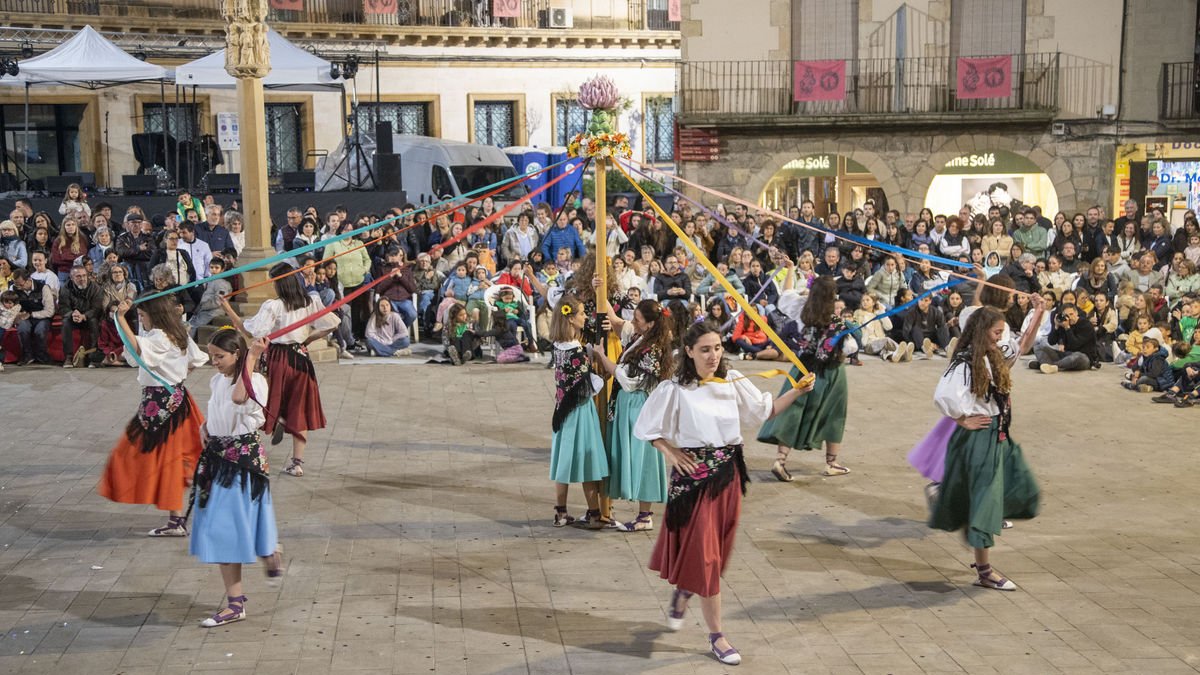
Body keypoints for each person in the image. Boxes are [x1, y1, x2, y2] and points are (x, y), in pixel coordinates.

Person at [634, 321, 811, 665]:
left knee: (717, 552)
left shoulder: (732, 381)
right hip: (693, 481)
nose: (713, 355)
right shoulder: (675, 389)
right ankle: (717, 636)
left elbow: (765, 411)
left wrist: (798, 391)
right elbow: (647, 427)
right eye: (705, 349)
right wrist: (670, 451)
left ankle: (686, 589)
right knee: (707, 557)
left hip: (728, 477)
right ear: (688, 351)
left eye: (717, 348)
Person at [928, 307, 1041, 591]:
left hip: (998, 435)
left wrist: (1039, 311)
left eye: (1002, 332)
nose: (1000, 337)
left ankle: (949, 494)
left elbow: (1023, 345)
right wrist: (961, 419)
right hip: (979, 438)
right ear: (982, 331)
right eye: (996, 332)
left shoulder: (993, 355)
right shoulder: (966, 362)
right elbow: (942, 395)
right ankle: (985, 571)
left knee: (1021, 488)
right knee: (984, 504)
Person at [191, 330, 282, 627]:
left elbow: (239, 397)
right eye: (212, 356)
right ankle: (268, 554)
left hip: (241, 461)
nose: (214, 362)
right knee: (234, 524)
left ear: (237, 354)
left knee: (226, 528)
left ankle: (236, 602)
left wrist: (252, 356)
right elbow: (221, 407)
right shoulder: (216, 380)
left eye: (220, 356)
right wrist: (207, 425)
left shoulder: (255, 381)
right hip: (218, 458)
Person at [98, 295, 208, 536]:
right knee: (171, 459)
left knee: (134, 456)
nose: (141, 320)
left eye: (142, 316)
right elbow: (195, 361)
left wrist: (120, 317)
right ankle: (176, 518)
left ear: (154, 315)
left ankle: (176, 520)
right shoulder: (177, 333)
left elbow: (137, 348)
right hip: (177, 398)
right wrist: (175, 373)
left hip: (159, 404)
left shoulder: (159, 337)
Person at [219, 263, 340, 478]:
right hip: (301, 359)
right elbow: (332, 324)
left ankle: (273, 426)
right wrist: (307, 340)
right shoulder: (310, 301)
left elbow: (251, 332)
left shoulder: (273, 306)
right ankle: (297, 463)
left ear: (279, 283)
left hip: (277, 358)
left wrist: (227, 309)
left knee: (265, 400)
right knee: (299, 408)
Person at [758, 276, 856, 480]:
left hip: (802, 368)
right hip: (832, 372)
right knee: (834, 414)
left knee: (793, 410)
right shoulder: (838, 323)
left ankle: (780, 461)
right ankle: (832, 463)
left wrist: (790, 269)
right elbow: (850, 347)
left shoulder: (802, 311)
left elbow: (786, 295)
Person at [591, 299, 673, 532]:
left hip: (638, 405)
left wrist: (601, 356)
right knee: (634, 454)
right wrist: (600, 288)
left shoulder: (653, 348)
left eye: (637, 319)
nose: (633, 322)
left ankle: (645, 516)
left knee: (643, 456)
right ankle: (637, 513)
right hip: (629, 404)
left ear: (650, 324)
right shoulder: (640, 337)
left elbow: (626, 378)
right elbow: (616, 320)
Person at [548, 292, 608, 528]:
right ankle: (594, 513)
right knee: (587, 458)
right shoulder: (575, 350)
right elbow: (585, 384)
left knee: (564, 460)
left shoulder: (558, 346)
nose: (585, 317)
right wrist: (596, 362)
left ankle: (561, 512)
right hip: (580, 410)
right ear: (571, 318)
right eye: (582, 313)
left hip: (561, 408)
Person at [1032, 303, 1100, 373]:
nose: (1069, 318)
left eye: (1071, 314)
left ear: (1076, 313)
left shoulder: (1086, 325)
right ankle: (1051, 366)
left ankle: (1049, 365)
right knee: (1038, 347)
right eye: (1066, 315)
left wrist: (1067, 328)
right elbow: (1051, 342)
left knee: (1077, 357)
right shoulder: (1064, 323)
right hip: (1066, 355)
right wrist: (1056, 327)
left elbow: (1075, 345)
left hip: (1084, 357)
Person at [59, 264, 103, 368]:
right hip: (73, 317)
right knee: (65, 322)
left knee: (94, 321)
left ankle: (93, 358)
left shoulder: (95, 288)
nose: (82, 279)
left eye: (84, 275)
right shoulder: (65, 288)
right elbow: (63, 307)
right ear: (72, 278)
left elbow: (97, 308)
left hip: (89, 317)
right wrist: (72, 314)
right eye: (78, 276)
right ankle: (68, 357)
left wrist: (84, 316)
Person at [11, 268, 56, 365]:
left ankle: (41, 355)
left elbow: (50, 311)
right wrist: (16, 314)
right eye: (16, 285)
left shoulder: (43, 288)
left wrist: (31, 314)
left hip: (42, 316)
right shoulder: (13, 288)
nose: (18, 288)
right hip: (24, 317)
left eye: (21, 285)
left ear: (28, 280)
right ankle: (27, 355)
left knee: (40, 330)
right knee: (23, 328)